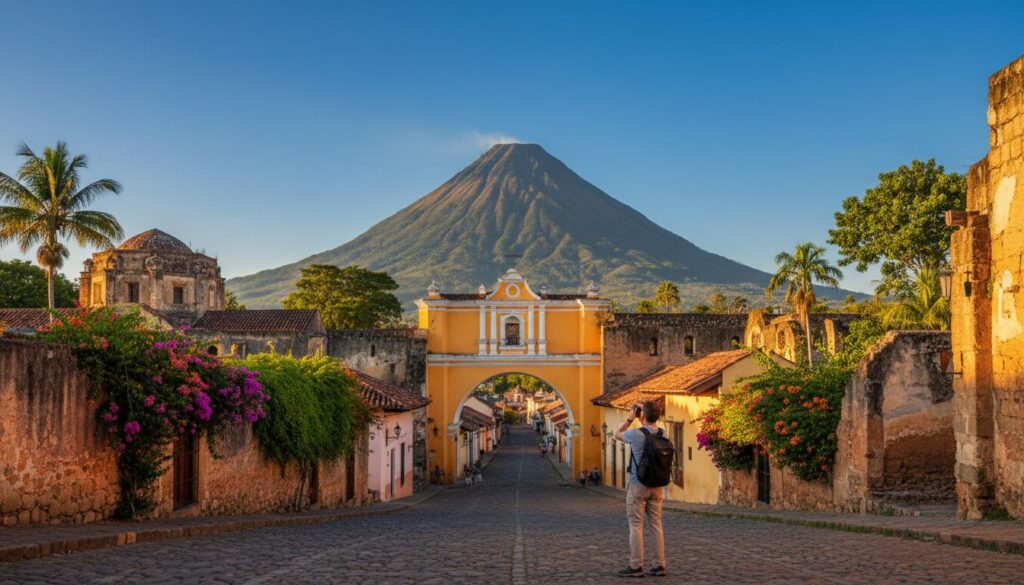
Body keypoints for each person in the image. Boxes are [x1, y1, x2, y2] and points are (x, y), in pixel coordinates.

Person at [614, 401, 667, 578]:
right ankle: (659, 565)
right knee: (656, 525)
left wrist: (630, 419)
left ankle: (636, 565)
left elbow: (616, 434)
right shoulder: (663, 433)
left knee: (636, 525)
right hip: (657, 486)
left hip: (638, 485)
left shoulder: (636, 434)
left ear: (641, 416)